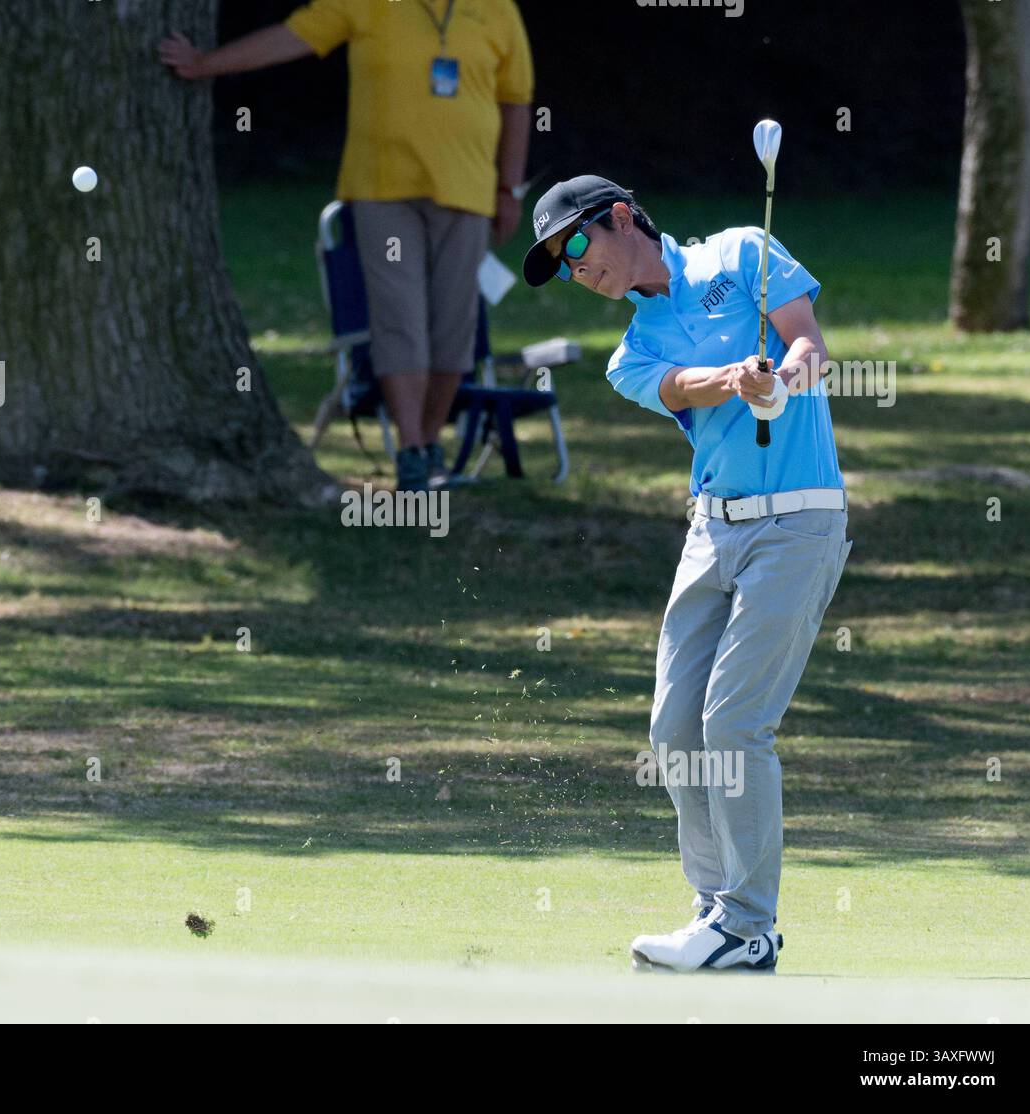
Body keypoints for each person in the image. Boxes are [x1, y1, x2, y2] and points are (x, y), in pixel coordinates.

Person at [522, 175, 852, 973]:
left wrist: (785, 380)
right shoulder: (630, 352)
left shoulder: (743, 251)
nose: (574, 269)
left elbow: (809, 343)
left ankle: (747, 923)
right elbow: (679, 386)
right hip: (712, 530)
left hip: (799, 519)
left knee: (734, 724)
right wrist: (741, 379)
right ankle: (715, 912)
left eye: (574, 245)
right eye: (560, 265)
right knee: (675, 730)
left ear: (623, 217)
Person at [159, 2, 534, 491]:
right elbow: (291, 36)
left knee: (453, 329)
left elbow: (517, 102)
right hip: (383, 190)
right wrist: (205, 63)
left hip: (467, 193)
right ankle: (413, 452)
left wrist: (509, 189)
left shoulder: (497, 10)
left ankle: (429, 442)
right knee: (399, 319)